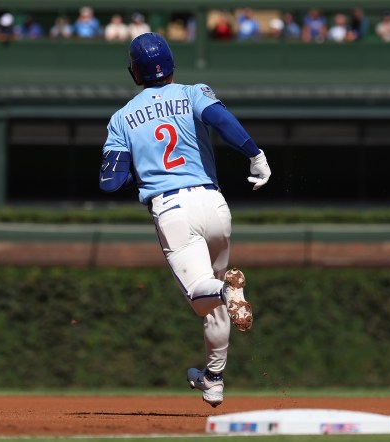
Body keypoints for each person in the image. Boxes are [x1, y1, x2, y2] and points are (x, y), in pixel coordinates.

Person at [98, 33, 271, 407]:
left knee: (202, 297)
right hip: (214, 203)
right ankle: (214, 379)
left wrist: (138, 174)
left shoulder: (121, 118)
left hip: (173, 211)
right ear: (172, 64)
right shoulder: (195, 92)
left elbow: (110, 182)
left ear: (134, 71)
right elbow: (220, 120)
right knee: (216, 305)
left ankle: (228, 290)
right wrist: (254, 155)